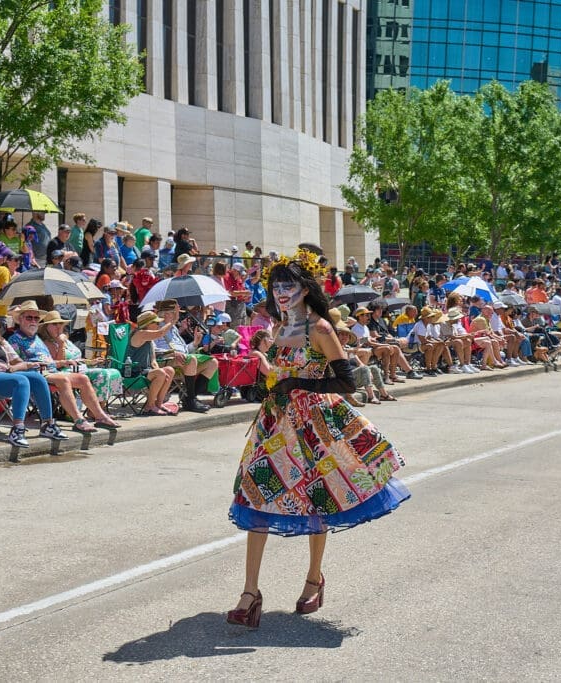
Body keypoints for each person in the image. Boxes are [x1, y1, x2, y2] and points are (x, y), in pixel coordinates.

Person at [226, 248, 410, 628]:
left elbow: (348, 381)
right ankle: (250, 592)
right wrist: (270, 379)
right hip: (276, 424)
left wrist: (298, 382)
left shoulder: (320, 329)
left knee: (317, 497)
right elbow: (277, 372)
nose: (281, 291)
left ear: (305, 288)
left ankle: (313, 578)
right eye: (276, 284)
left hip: (315, 425)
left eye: (289, 284)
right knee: (255, 493)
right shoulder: (278, 329)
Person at [0, 308, 68, 447]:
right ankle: (17, 429)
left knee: (37, 378)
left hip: (3, 377)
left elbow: (18, 362)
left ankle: (48, 424)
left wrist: (14, 368)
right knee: (20, 380)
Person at [7, 303, 119, 432]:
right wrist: (34, 365)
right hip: (35, 374)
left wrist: (62, 362)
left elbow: (50, 361)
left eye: (36, 318)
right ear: (20, 319)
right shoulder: (15, 340)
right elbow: (15, 364)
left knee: (83, 379)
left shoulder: (36, 338)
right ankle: (79, 420)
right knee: (63, 379)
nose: (33, 321)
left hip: (51, 371)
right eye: (29, 318)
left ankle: (100, 417)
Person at [38, 310, 123, 411]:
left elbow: (76, 358)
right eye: (54, 324)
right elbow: (57, 364)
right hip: (66, 372)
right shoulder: (48, 343)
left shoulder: (66, 340)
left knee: (114, 372)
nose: (58, 326)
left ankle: (100, 407)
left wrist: (90, 361)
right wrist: (61, 345)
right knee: (103, 373)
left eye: (60, 323)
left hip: (80, 367)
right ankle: (95, 410)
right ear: (46, 327)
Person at [152, 299, 215, 412]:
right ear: (166, 313)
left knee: (212, 363)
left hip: (181, 360)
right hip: (165, 360)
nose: (177, 316)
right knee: (191, 360)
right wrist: (172, 353)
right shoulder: (156, 327)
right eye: (175, 313)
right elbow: (152, 348)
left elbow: (185, 350)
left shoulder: (173, 328)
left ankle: (190, 397)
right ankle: (191, 400)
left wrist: (195, 343)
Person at [128, 310, 180, 415]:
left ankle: (158, 403)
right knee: (160, 373)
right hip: (134, 371)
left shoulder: (149, 339)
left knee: (169, 370)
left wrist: (158, 370)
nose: (158, 324)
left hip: (145, 371)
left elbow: (153, 360)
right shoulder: (140, 333)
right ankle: (149, 406)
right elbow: (160, 333)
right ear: (147, 324)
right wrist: (172, 321)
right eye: (156, 323)